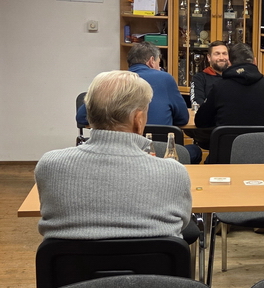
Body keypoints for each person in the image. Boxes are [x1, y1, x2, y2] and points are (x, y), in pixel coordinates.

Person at [37, 70, 192, 240]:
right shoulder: (174, 173)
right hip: (153, 258)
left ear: (90, 115)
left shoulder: (50, 166)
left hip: (72, 258)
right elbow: (183, 223)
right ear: (138, 120)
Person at [76, 42, 188, 128]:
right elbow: (183, 119)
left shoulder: (112, 81)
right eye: (159, 64)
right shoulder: (165, 78)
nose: (159, 68)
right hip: (160, 147)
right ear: (151, 61)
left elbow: (81, 117)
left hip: (119, 147)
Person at [194, 43, 264, 132]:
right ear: (255, 61)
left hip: (229, 145)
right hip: (263, 145)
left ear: (229, 63)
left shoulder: (219, 87)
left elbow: (201, 121)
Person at [190, 40, 229, 106]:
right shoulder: (199, 78)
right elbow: (197, 102)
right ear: (209, 57)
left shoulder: (234, 77)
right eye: (217, 54)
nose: (221, 58)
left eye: (224, 53)